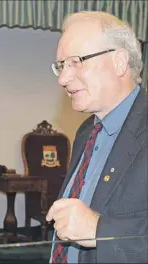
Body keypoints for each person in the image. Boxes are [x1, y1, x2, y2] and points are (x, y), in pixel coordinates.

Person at [46, 11, 147, 263]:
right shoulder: (86, 131)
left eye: (75, 62)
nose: (62, 78)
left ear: (119, 62)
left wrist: (99, 231)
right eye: (60, 66)